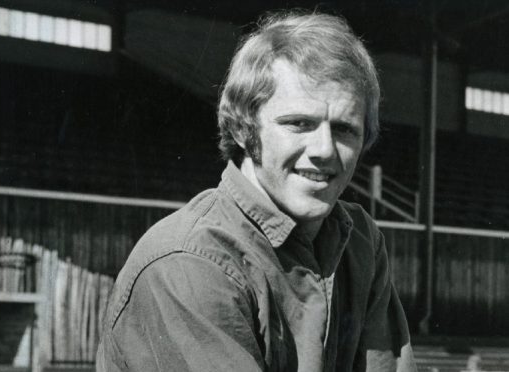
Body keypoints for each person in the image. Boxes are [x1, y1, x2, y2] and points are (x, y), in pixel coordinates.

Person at [96, 10, 417, 372]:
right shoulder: (188, 262)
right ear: (243, 129)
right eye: (299, 123)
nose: (325, 149)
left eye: (344, 129)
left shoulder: (359, 241)